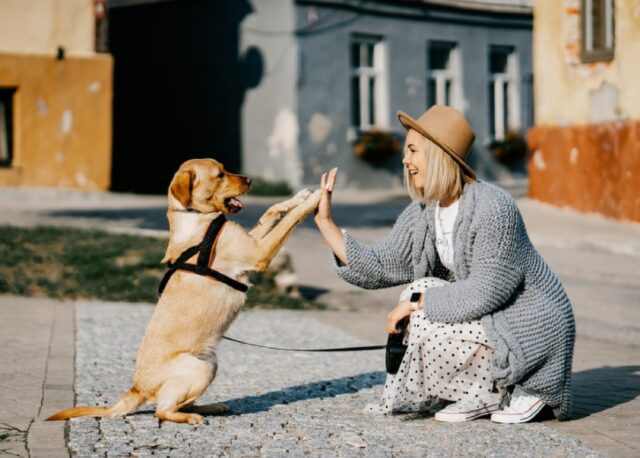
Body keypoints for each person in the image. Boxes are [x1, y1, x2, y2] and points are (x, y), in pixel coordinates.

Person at [313, 105, 575, 423]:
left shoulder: (494, 207)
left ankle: (521, 386)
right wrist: (326, 224)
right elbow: (381, 265)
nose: (404, 160)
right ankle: (478, 392)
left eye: (412, 150)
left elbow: (485, 292)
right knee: (420, 290)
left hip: (529, 326)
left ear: (437, 154)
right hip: (491, 320)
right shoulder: (425, 211)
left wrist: (415, 304)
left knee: (420, 300)